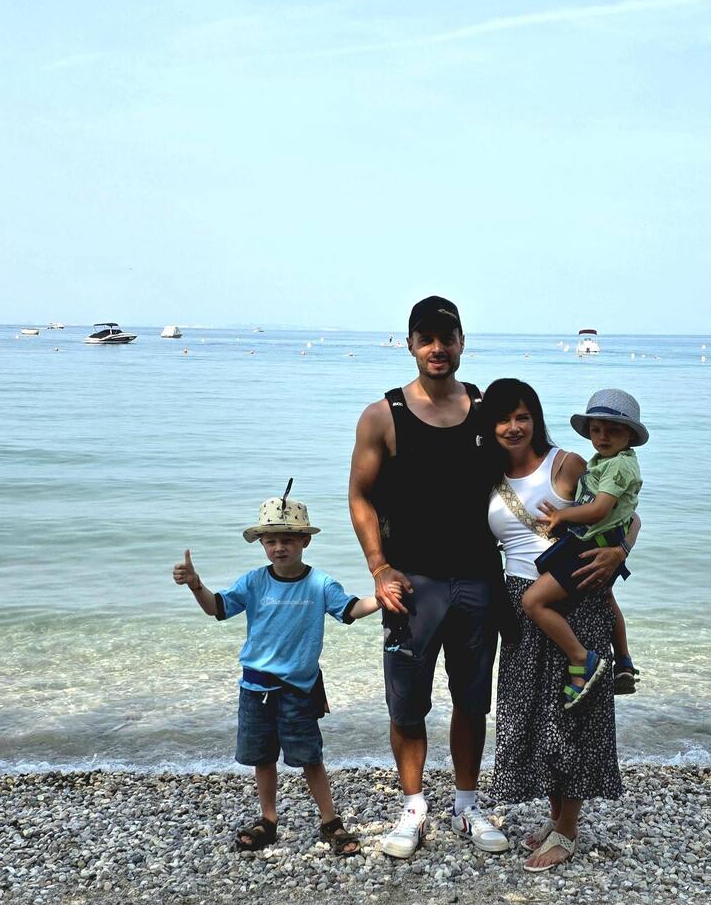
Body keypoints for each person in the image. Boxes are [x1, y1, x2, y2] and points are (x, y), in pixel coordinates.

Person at [347, 295, 510, 859]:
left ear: (462, 343)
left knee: (473, 700)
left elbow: (538, 470)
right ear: (410, 344)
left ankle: (466, 804)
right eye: (427, 338)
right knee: (407, 704)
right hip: (412, 586)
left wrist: (614, 527)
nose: (437, 348)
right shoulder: (383, 415)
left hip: (478, 580)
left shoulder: (489, 410)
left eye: (447, 338)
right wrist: (379, 567)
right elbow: (360, 495)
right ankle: (413, 806)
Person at [482, 378, 639, 871]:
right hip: (520, 604)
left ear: (536, 419)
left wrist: (620, 551)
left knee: (574, 718)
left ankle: (568, 831)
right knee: (533, 716)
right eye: (503, 418)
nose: (513, 427)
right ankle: (556, 817)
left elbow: (625, 516)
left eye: (523, 416)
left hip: (574, 600)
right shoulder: (486, 474)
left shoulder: (567, 463)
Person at [172, 488, 379, 856]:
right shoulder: (254, 582)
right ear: (262, 544)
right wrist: (195, 585)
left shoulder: (320, 584)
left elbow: (350, 609)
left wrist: (381, 598)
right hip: (255, 688)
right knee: (263, 758)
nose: (279, 548)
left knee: (310, 758)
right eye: (271, 541)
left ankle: (330, 821)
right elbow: (216, 608)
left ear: (304, 541)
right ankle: (268, 819)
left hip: (299, 689)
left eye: (288, 540)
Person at [520, 388, 647, 710]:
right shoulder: (607, 462)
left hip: (592, 548)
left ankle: (581, 659)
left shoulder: (618, 466)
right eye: (596, 429)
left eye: (613, 430)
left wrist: (562, 515)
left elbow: (599, 510)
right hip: (598, 543)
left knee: (533, 601)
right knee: (606, 598)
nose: (602, 436)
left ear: (630, 435)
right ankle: (624, 660)